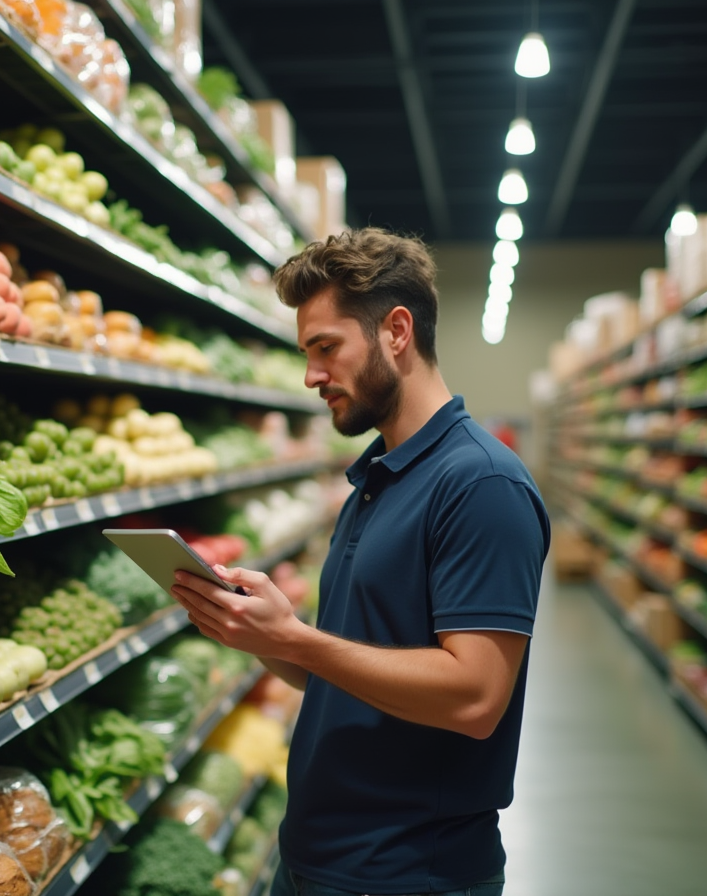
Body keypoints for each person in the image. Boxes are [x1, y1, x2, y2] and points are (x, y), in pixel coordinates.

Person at [170, 228, 549, 896]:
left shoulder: (482, 484)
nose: (312, 376)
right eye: (307, 353)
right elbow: (344, 669)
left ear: (396, 331)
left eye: (326, 348)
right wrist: (264, 634)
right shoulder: (377, 476)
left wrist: (298, 641)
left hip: (407, 873)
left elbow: (476, 697)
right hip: (317, 859)